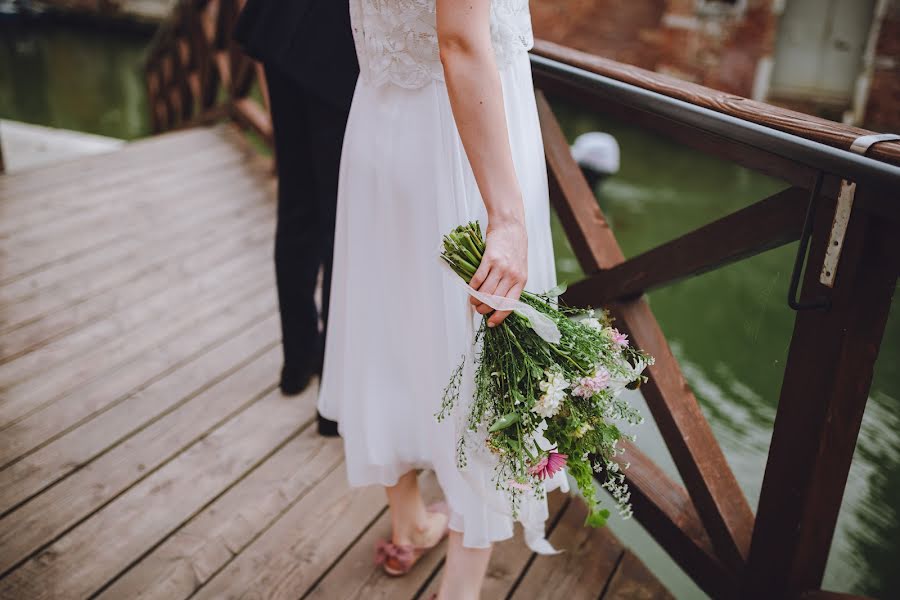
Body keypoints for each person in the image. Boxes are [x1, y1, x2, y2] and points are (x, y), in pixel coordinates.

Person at [318, 1, 566, 597]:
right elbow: (458, 40)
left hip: (383, 124)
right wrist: (506, 215)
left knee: (389, 327)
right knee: (479, 352)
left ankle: (408, 520)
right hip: (459, 143)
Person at [233, 0, 358, 436]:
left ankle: (298, 360)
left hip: (283, 24)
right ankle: (332, 400)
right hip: (336, 42)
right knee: (339, 219)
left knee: (300, 204)